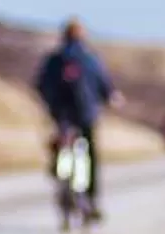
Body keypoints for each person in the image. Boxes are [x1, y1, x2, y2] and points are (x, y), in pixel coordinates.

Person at [33, 18, 115, 220]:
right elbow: (104, 85)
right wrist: (110, 97)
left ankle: (57, 172)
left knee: (60, 143)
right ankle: (91, 199)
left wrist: (49, 104)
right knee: (89, 155)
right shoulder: (90, 59)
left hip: (60, 115)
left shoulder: (54, 59)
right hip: (85, 115)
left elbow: (40, 84)